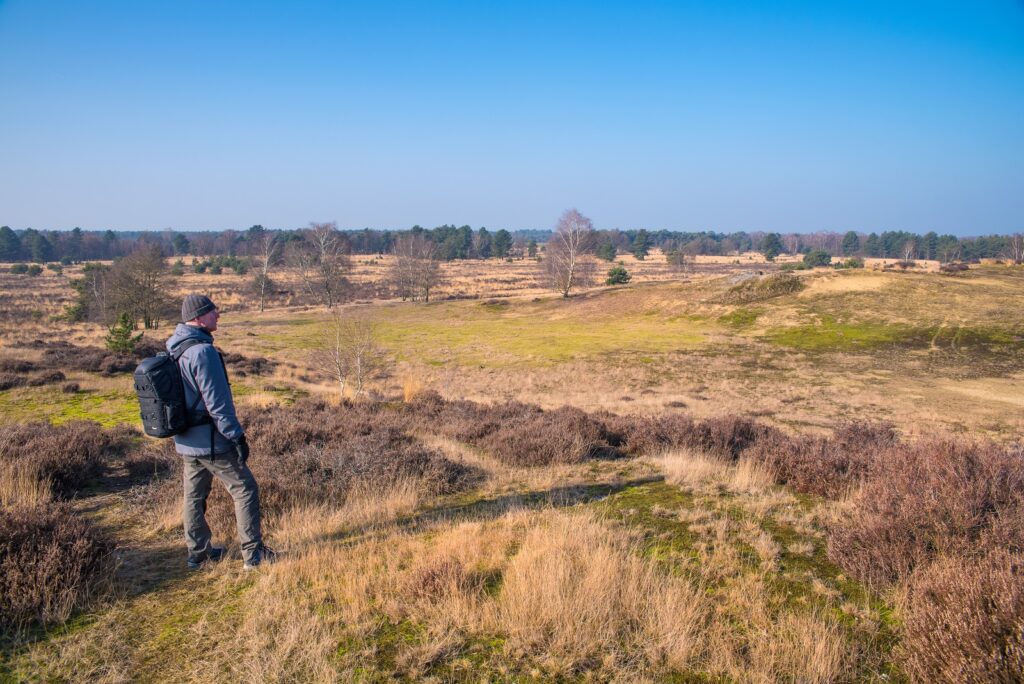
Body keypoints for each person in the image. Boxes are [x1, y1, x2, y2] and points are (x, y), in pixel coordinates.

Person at [167, 294, 275, 571]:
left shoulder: (175, 347)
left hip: (186, 439)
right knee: (245, 489)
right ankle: (254, 555)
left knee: (194, 495)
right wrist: (236, 436)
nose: (218, 315)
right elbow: (217, 403)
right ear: (198, 318)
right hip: (211, 441)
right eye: (212, 311)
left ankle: (198, 554)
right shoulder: (203, 352)